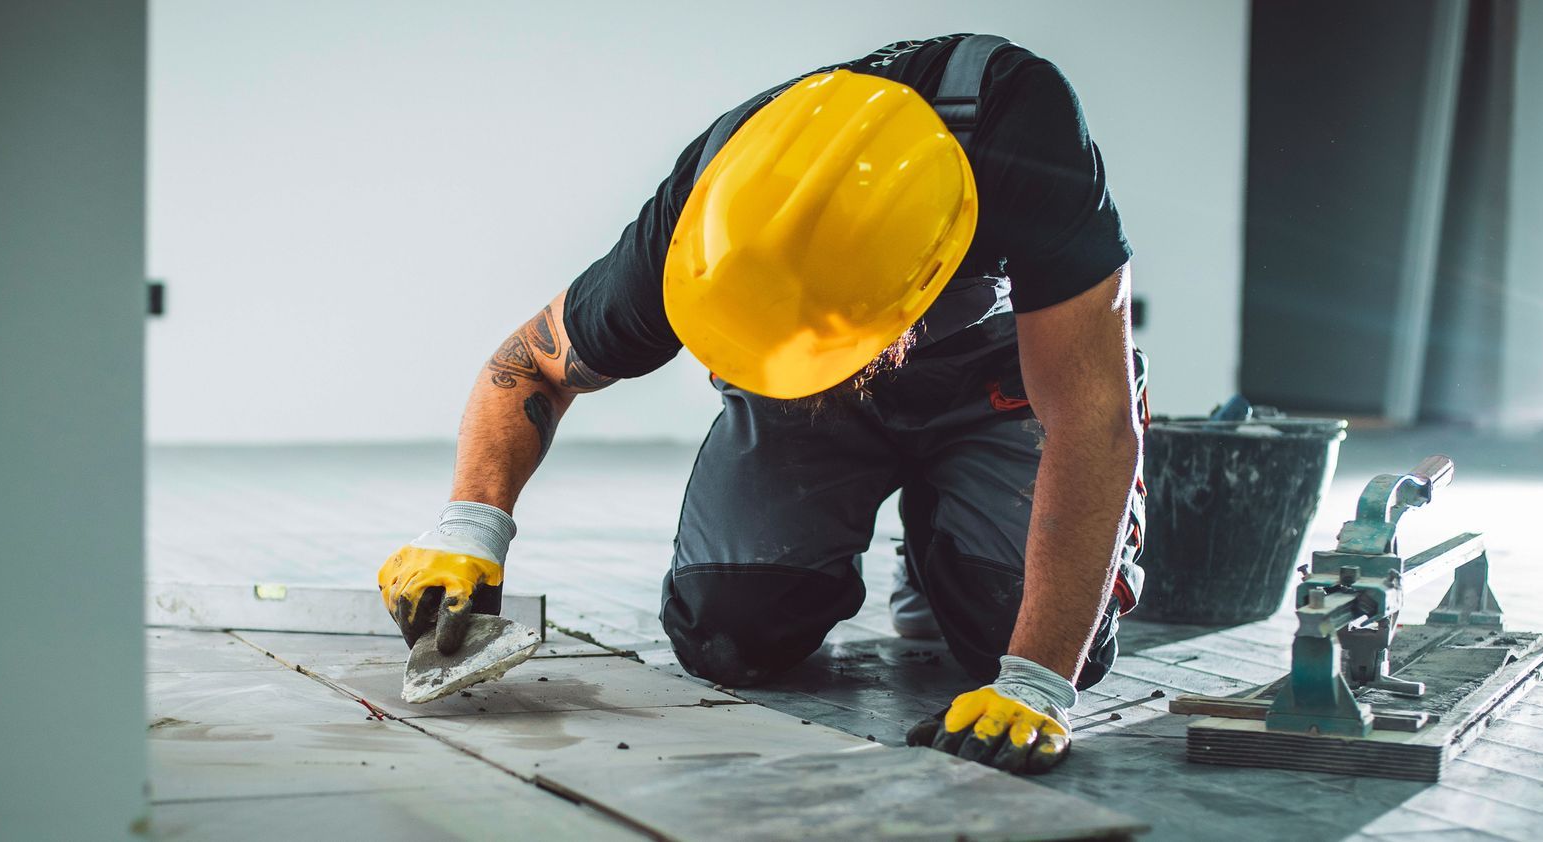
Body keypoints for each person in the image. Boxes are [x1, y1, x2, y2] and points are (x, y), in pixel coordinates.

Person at [378, 33, 1147, 775]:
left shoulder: (1017, 126)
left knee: (1026, 630)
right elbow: (529, 365)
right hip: (810, 407)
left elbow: (1090, 416)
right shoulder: (708, 207)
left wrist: (1038, 681)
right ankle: (901, 501)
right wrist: (470, 526)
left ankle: (944, 533)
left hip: (1000, 387)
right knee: (728, 633)